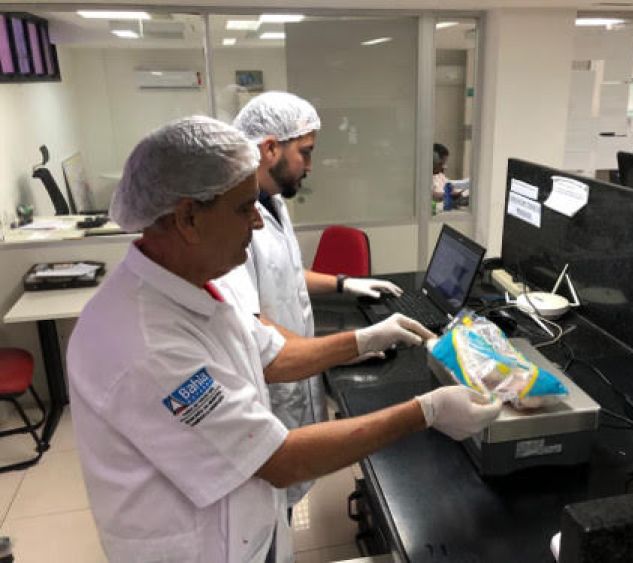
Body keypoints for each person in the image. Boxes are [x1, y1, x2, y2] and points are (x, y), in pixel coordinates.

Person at [66, 116, 501, 563]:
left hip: (245, 529)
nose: (257, 222)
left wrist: (367, 338)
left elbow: (273, 354)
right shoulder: (144, 344)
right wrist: (426, 412)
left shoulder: (193, 286)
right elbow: (280, 459)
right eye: (243, 208)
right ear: (188, 218)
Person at [222, 91, 402, 509]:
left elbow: (285, 273)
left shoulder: (272, 201)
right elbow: (251, 325)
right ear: (270, 148)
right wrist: (346, 348)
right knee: (271, 495)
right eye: (305, 152)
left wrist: (344, 284)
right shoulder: (235, 221)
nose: (310, 165)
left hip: (296, 367)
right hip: (271, 384)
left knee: (287, 493)